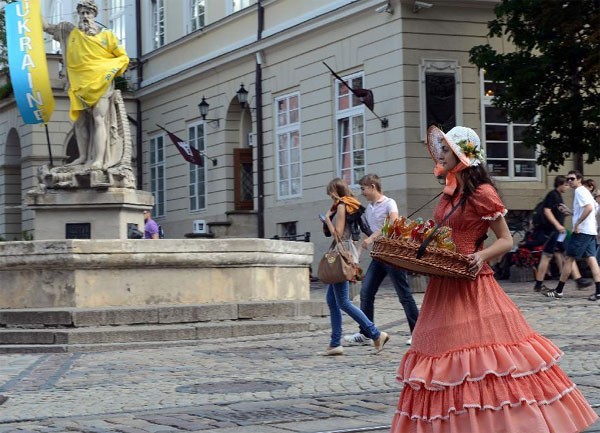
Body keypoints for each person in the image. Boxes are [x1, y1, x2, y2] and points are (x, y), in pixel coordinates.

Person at [390, 125, 597, 432]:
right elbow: (444, 233)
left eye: (447, 150)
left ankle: (499, 422)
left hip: (472, 280)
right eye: (442, 149)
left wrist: (481, 256)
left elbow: (505, 239)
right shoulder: (450, 192)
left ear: (462, 156)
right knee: (437, 355)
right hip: (444, 281)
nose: (441, 155)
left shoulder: (483, 193)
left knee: (482, 362)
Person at [43, 0, 129, 170]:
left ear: (94, 15)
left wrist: (107, 70)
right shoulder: (70, 33)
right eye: (82, 13)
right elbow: (45, 26)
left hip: (100, 83)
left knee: (99, 119)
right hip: (79, 84)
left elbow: (123, 57)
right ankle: (83, 157)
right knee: (80, 122)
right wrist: (27, 6)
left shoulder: (107, 36)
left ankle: (98, 159)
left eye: (88, 13)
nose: (84, 16)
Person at [343, 174, 419, 347]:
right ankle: (366, 333)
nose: (362, 192)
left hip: (392, 255)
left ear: (372, 187)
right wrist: (358, 254)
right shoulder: (368, 209)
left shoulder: (389, 203)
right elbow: (368, 233)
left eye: (363, 188)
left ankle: (417, 333)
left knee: (404, 295)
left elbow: (393, 225)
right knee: (366, 292)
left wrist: (371, 238)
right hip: (378, 256)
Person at [321, 178, 389, 356]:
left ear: (335, 193)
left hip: (342, 254)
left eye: (331, 195)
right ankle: (335, 343)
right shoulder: (350, 205)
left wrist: (327, 218)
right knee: (332, 300)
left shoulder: (343, 206)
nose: (331, 199)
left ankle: (375, 334)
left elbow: (337, 234)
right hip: (346, 251)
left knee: (343, 301)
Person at [543, 170, 600, 300]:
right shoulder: (585, 192)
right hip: (590, 231)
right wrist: (570, 211)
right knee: (591, 260)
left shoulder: (580, 191)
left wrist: (577, 224)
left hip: (582, 232)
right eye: (568, 179)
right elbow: (594, 208)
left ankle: (559, 290)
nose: (569, 181)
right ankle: (598, 292)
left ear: (579, 179)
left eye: (572, 179)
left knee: (569, 259)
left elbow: (589, 209)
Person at [532, 175, 591, 292]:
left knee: (569, 255)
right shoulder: (553, 195)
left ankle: (578, 280)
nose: (568, 187)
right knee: (547, 256)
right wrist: (557, 225)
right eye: (566, 185)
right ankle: (538, 284)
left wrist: (568, 213)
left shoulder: (557, 196)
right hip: (552, 231)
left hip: (559, 232)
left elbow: (557, 211)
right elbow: (547, 211)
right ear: (561, 185)